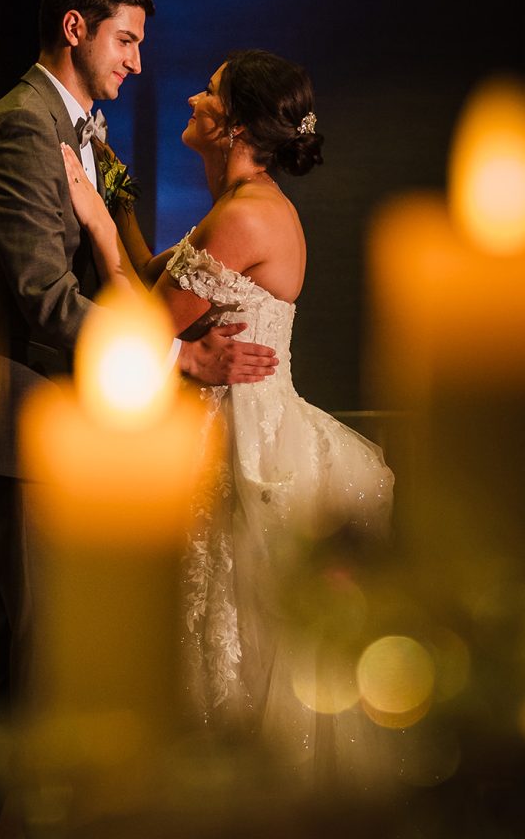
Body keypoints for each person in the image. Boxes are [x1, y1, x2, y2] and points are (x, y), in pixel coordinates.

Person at [0, 0, 279, 839]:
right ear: (76, 30)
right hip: (17, 426)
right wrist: (175, 359)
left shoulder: (85, 133)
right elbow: (46, 300)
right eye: (127, 41)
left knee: (18, 651)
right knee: (52, 653)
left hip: (51, 423)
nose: (138, 64)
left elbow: (123, 263)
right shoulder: (20, 131)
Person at [61, 48, 396, 787]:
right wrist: (117, 201)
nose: (189, 100)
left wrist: (92, 220)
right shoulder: (239, 208)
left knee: (227, 631)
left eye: (207, 94)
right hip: (232, 421)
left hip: (242, 439)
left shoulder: (246, 217)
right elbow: (157, 278)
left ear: (236, 126)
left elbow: (142, 323)